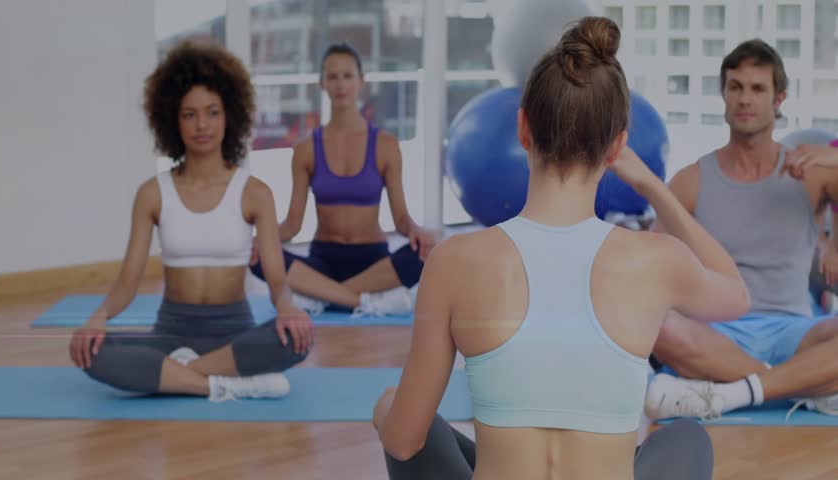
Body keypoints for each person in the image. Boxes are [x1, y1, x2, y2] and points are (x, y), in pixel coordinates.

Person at [371, 17, 750, 480]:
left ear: (523, 128)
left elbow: (405, 441)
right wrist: (652, 186)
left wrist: (385, 412)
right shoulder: (655, 260)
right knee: (686, 437)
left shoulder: (454, 262)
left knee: (401, 409)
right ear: (616, 149)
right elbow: (737, 293)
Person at [69, 40, 313, 401]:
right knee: (92, 351)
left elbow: (276, 280)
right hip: (170, 334)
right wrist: (98, 316)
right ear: (172, 119)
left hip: (234, 333)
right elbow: (128, 281)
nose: (202, 125)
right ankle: (223, 383)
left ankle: (176, 378)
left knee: (296, 339)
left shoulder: (255, 193)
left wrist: (289, 307)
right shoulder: (152, 193)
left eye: (212, 112)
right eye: (190, 114)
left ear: (229, 115)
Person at [644, 40, 838, 420]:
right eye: (736, 87)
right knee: (656, 323)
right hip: (716, 336)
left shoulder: (812, 171)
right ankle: (801, 385)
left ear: (778, 99)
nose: (745, 99)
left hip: (796, 334)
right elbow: (649, 264)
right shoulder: (690, 181)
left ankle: (732, 390)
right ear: (724, 95)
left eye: (757, 88)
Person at [249, 43, 437, 316]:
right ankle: (362, 300)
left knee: (426, 254)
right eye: (332, 76)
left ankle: (324, 296)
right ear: (322, 83)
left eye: (348, 76)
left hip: (374, 262)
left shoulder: (385, 145)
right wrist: (258, 242)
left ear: (361, 82)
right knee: (257, 258)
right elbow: (292, 225)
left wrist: (417, 232)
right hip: (323, 259)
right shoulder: (306, 149)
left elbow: (401, 220)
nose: (340, 84)